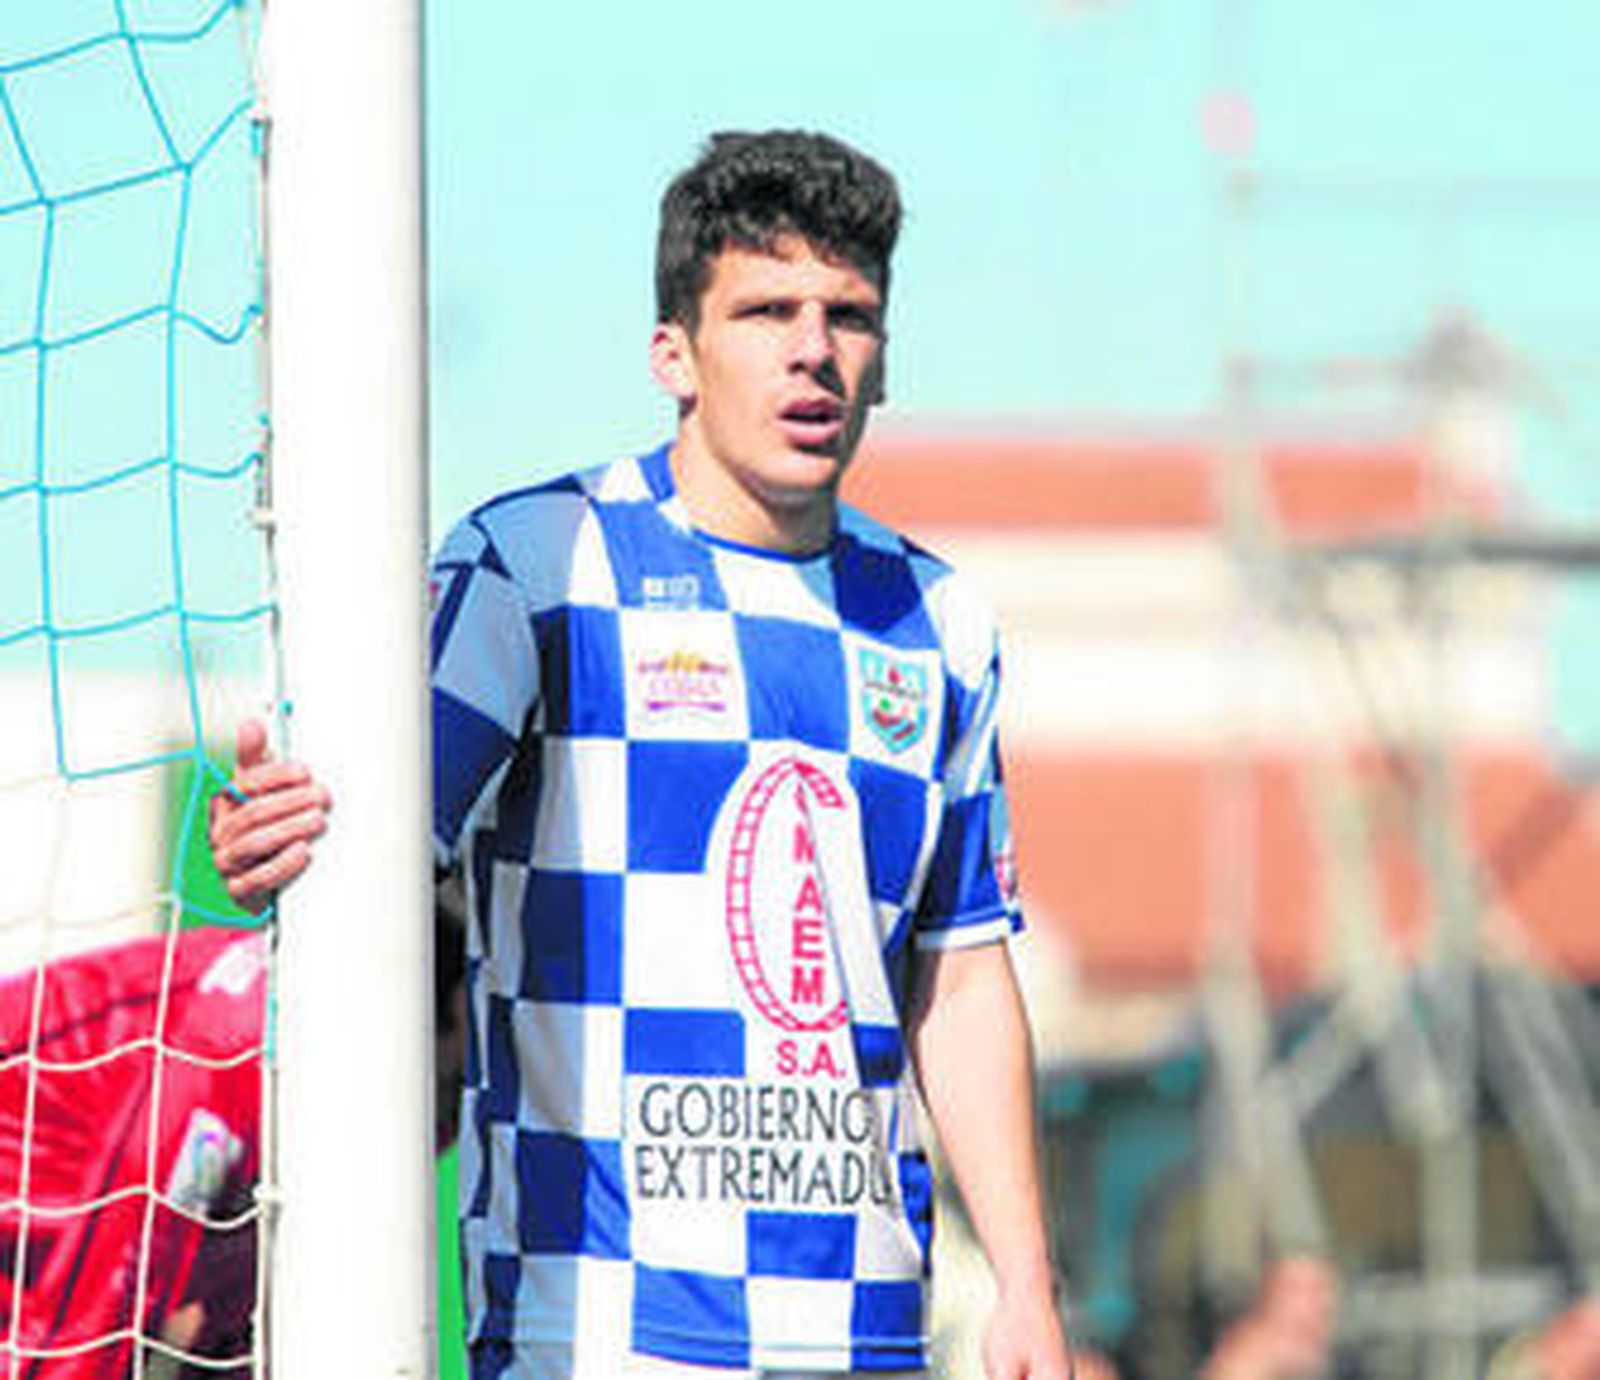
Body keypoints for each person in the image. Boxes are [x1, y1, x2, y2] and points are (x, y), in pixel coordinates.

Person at [210, 129, 1075, 1380]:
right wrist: (275, 841)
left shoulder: (936, 620)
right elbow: (366, 846)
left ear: (882, 360)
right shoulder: (535, 567)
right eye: (766, 309)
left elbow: (959, 975)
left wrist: (1026, 1291)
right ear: (673, 352)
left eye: (848, 314)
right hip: (596, 1328)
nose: (811, 349)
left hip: (861, 1328)